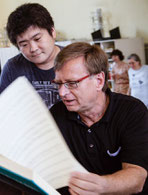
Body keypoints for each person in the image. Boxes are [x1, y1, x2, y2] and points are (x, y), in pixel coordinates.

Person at [51, 42, 148, 194]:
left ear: (99, 81)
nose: (62, 92)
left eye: (72, 83)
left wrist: (102, 186)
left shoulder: (132, 111)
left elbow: (137, 177)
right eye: (59, 84)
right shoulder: (56, 115)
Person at [0, 3, 61, 109]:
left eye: (37, 39)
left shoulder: (74, 60)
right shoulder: (12, 69)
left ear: (52, 32)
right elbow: (4, 111)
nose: (33, 48)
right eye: (24, 44)